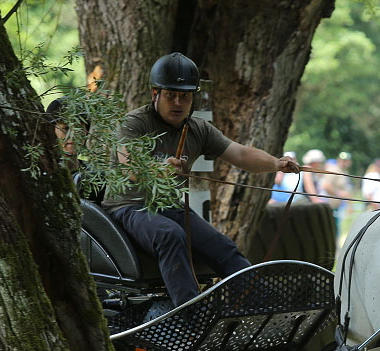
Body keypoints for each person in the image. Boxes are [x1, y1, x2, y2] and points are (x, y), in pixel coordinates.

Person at [101, 52, 299, 317]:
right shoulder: (135, 123)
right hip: (130, 207)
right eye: (171, 94)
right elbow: (131, 167)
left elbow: (240, 154)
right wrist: (159, 170)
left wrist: (275, 163)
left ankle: (268, 313)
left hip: (169, 208)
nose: (178, 102)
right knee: (170, 235)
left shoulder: (197, 129)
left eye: (185, 96)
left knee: (223, 247)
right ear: (154, 94)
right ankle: (192, 318)